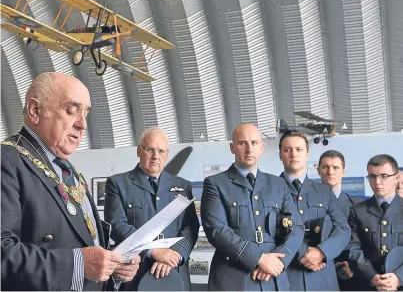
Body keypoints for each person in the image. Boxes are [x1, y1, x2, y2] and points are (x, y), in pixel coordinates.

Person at [1, 72, 139, 291]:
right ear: (35, 110)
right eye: (71, 110)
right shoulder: (7, 161)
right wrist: (77, 265)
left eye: (86, 114)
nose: (82, 124)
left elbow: (83, 244)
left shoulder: (68, 171)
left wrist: (112, 265)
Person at [201, 123, 304, 291]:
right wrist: (258, 259)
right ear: (232, 147)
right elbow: (216, 230)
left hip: (274, 279)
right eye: (242, 143)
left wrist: (278, 261)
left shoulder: (278, 184)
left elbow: (297, 227)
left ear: (262, 147)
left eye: (254, 143)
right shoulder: (215, 184)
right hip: (234, 278)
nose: (249, 149)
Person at [104, 127, 199, 291]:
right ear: (139, 151)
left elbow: (191, 227)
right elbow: (117, 225)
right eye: (150, 150)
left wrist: (175, 255)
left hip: (174, 272)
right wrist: (153, 250)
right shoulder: (118, 184)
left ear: (167, 155)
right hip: (136, 272)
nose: (156, 156)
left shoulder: (183, 186)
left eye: (161, 151)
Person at [279, 130, 351, 291]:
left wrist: (322, 252)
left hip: (323, 278)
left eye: (299, 149)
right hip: (287, 278)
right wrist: (305, 253)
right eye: (287, 149)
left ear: (307, 154)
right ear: (280, 155)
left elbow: (343, 229)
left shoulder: (325, 192)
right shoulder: (270, 190)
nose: (293, 154)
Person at [348, 154, 403, 291]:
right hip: (368, 284)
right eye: (372, 176)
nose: (377, 182)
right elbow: (353, 248)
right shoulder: (357, 211)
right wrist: (372, 276)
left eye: (384, 176)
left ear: (396, 178)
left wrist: (399, 277)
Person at [317, 150, 365, 290]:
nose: (330, 172)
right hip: (315, 271)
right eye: (325, 167)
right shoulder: (307, 202)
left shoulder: (358, 206)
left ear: (344, 171)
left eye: (336, 167)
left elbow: (364, 241)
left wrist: (353, 266)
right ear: (319, 170)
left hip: (351, 275)